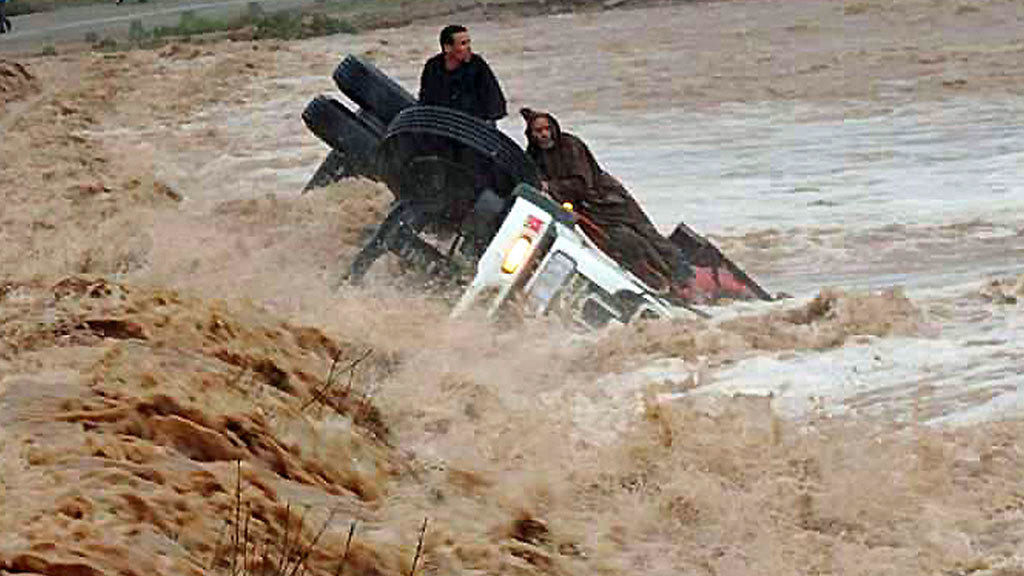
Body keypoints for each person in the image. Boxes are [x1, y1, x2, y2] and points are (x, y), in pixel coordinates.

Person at [521, 107, 695, 295]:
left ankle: (684, 277)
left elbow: (582, 182)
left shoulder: (571, 145)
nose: (544, 134)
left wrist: (551, 186)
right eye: (538, 131)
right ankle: (659, 282)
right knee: (625, 242)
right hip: (587, 212)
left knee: (647, 233)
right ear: (531, 134)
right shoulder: (533, 156)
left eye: (547, 129)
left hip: (609, 199)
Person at [419, 24, 507, 124]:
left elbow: (494, 101)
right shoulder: (433, 67)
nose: (468, 48)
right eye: (463, 43)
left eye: (469, 42)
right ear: (447, 47)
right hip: (442, 124)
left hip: (473, 125)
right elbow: (426, 100)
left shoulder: (477, 65)